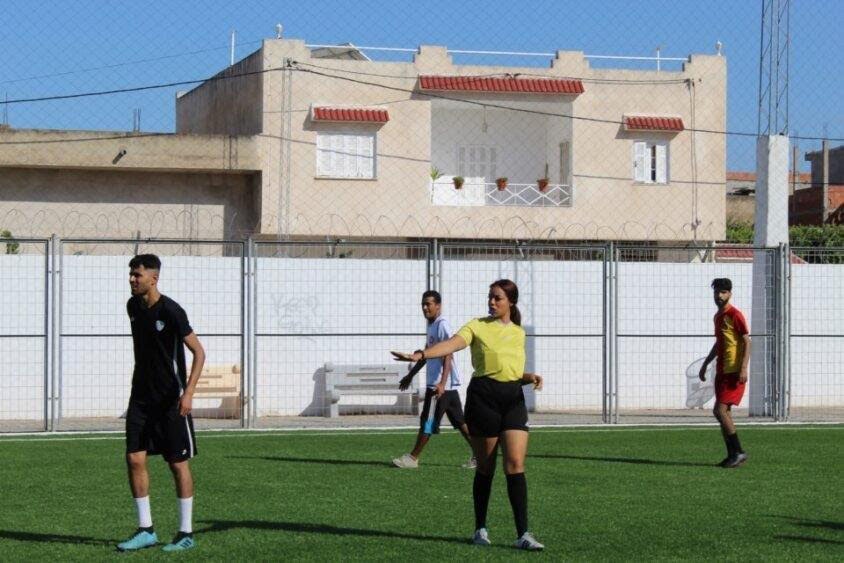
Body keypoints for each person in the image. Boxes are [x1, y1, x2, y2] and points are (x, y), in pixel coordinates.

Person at [393, 279, 544, 550]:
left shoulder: (519, 333)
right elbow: (451, 345)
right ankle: (480, 529)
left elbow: (507, 370)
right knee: (486, 467)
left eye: (497, 298)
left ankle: (524, 534)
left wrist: (528, 376)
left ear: (511, 301)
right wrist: (422, 355)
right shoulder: (477, 326)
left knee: (515, 464)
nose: (492, 302)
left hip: (513, 400)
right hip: (483, 398)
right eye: (490, 297)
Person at [117, 254, 206, 552]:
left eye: (137, 275)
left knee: (176, 463)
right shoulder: (132, 307)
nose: (132, 279)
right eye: (131, 274)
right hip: (141, 398)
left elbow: (199, 352)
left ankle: (185, 533)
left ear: (153, 278)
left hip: (171, 401)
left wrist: (189, 392)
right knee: (134, 459)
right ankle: (146, 530)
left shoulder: (171, 310)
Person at [392, 290, 475, 470]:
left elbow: (448, 353)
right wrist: (410, 375)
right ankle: (480, 455)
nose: (425, 307)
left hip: (439, 385)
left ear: (438, 306)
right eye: (423, 304)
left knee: (427, 421)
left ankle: (413, 458)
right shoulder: (431, 326)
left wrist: (441, 383)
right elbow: (427, 354)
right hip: (447, 386)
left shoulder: (442, 324)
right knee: (460, 422)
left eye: (428, 304)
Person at [699, 277, 751, 468]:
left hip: (734, 371)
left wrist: (743, 367)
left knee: (719, 410)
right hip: (722, 370)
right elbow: (719, 343)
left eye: (723, 292)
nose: (719, 296)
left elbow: (747, 341)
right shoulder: (718, 316)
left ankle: (738, 452)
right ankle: (732, 455)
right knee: (724, 412)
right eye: (716, 292)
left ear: (730, 293)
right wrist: (705, 364)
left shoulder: (735, 314)